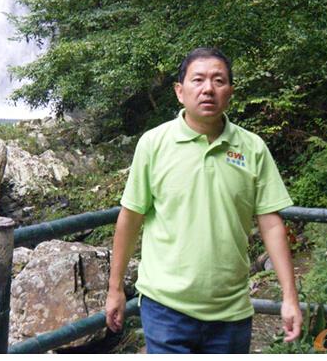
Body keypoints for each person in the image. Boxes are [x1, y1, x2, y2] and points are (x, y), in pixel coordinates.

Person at [105, 47, 303, 353]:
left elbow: (271, 223)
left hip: (231, 312)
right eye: (198, 80)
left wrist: (290, 297)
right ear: (179, 91)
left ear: (230, 92)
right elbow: (130, 218)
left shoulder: (253, 148)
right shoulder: (153, 144)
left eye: (218, 80)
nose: (208, 88)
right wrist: (115, 288)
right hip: (165, 308)